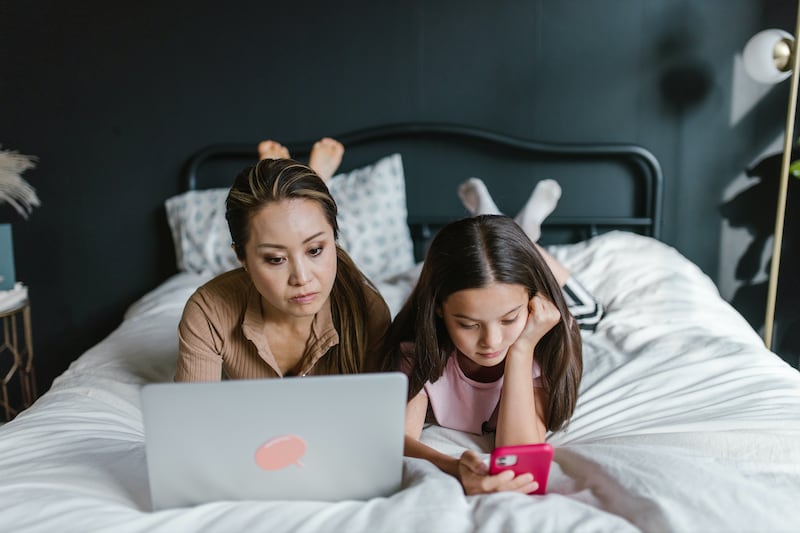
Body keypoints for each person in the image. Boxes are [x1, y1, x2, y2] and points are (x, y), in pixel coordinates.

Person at [380, 182, 591, 496]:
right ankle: (502, 224)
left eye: (508, 320)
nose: (491, 341)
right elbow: (398, 441)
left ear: (532, 306)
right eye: (468, 324)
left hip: (571, 316)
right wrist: (454, 467)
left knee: (591, 312)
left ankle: (527, 234)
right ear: (439, 311)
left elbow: (520, 457)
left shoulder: (543, 342)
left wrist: (521, 350)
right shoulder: (419, 349)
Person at [175, 138, 390, 381]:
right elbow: (196, 414)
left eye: (315, 250)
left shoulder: (367, 310)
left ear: (334, 239)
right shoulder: (209, 311)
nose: (302, 278)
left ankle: (310, 176)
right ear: (241, 257)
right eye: (276, 259)